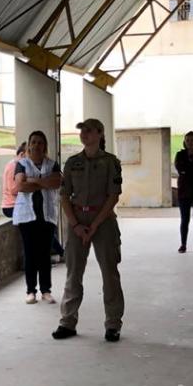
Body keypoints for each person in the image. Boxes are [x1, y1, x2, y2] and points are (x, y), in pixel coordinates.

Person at [52, 118, 125, 342]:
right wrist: (75, 225)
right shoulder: (72, 162)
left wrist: (93, 226)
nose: (84, 134)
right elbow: (64, 196)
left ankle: (113, 324)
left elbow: (113, 196)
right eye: (82, 130)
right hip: (77, 220)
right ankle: (67, 322)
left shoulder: (110, 162)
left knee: (109, 274)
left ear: (100, 133)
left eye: (89, 130)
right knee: (73, 273)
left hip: (103, 220)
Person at [13, 131, 61, 304]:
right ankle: (31, 291)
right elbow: (20, 186)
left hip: (47, 216)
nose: (36, 145)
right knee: (30, 253)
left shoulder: (52, 164)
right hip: (27, 217)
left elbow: (57, 182)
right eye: (33, 142)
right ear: (29, 145)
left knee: (44, 254)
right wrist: (44, 182)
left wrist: (33, 180)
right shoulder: (22, 164)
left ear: (45, 146)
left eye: (40, 142)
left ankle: (46, 290)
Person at [1, 142, 26, 218]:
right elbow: (13, 190)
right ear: (22, 154)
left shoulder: (16, 165)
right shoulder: (13, 166)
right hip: (11, 206)